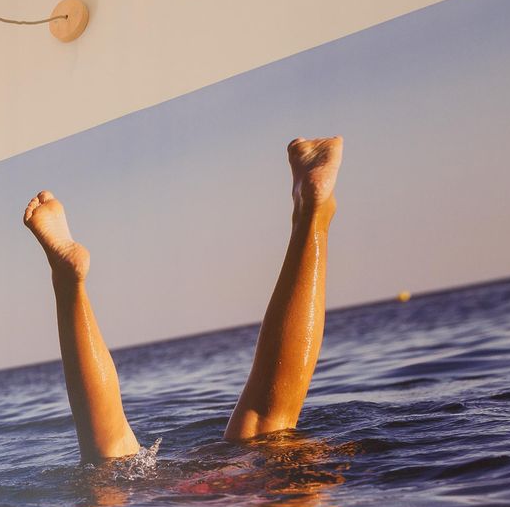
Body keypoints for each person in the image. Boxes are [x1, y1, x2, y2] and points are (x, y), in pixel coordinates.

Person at [23, 136, 343, 463]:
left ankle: (68, 283)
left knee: (114, 459)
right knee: (264, 423)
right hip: (238, 481)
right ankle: (311, 212)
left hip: (203, 484)